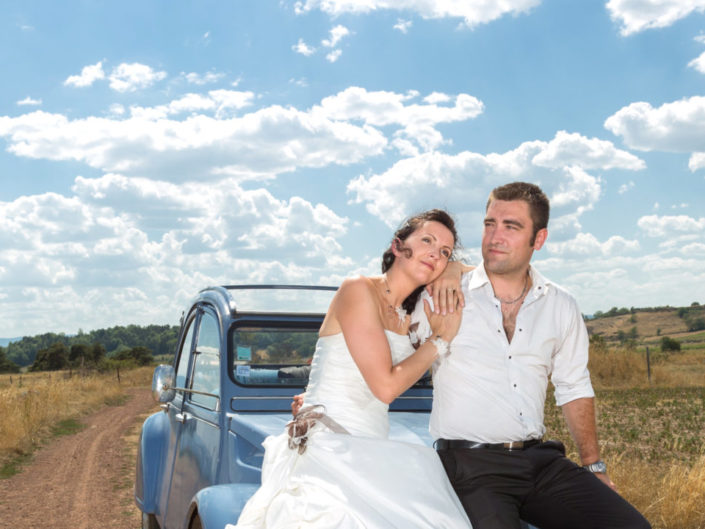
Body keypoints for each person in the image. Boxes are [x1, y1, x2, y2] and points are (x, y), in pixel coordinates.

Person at [415, 182, 650, 529]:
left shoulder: (561, 304)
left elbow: (574, 387)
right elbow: (388, 340)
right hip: (471, 465)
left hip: (541, 462)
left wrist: (593, 466)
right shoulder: (441, 296)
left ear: (538, 240)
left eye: (511, 227)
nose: (495, 237)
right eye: (489, 223)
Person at [227, 209, 473, 529]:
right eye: (426, 240)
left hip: (371, 448)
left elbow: (495, 271)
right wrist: (440, 341)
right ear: (397, 246)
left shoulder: (412, 316)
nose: (435, 254)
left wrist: (453, 269)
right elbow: (384, 387)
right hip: (327, 445)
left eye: (444, 251)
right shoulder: (358, 289)